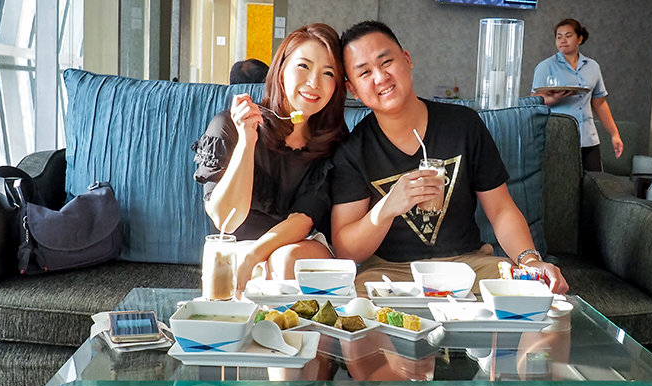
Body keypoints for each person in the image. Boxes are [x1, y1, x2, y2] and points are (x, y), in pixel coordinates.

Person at [331, 20, 568, 295]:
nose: (380, 77)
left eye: (386, 62)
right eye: (365, 72)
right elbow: (346, 249)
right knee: (354, 303)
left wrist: (530, 261)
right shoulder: (353, 150)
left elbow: (501, 210)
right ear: (353, 89)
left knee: (534, 293)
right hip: (389, 272)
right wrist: (386, 208)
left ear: (407, 59)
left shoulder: (463, 125)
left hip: (467, 266)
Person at [192, 23, 347, 294]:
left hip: (301, 245)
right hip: (236, 247)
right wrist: (247, 140)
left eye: (328, 73)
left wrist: (255, 256)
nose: (314, 83)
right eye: (304, 66)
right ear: (281, 69)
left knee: (284, 260)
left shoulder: (333, 139)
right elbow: (226, 219)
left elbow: (304, 218)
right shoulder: (230, 125)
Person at [532, 18, 623, 172]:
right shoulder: (545, 67)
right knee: (561, 183)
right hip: (558, 138)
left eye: (568, 36)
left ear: (579, 39)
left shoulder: (592, 66)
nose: (563, 40)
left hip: (587, 138)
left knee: (593, 181)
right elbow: (535, 101)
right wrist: (554, 98)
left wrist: (614, 134)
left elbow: (600, 103)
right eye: (559, 37)